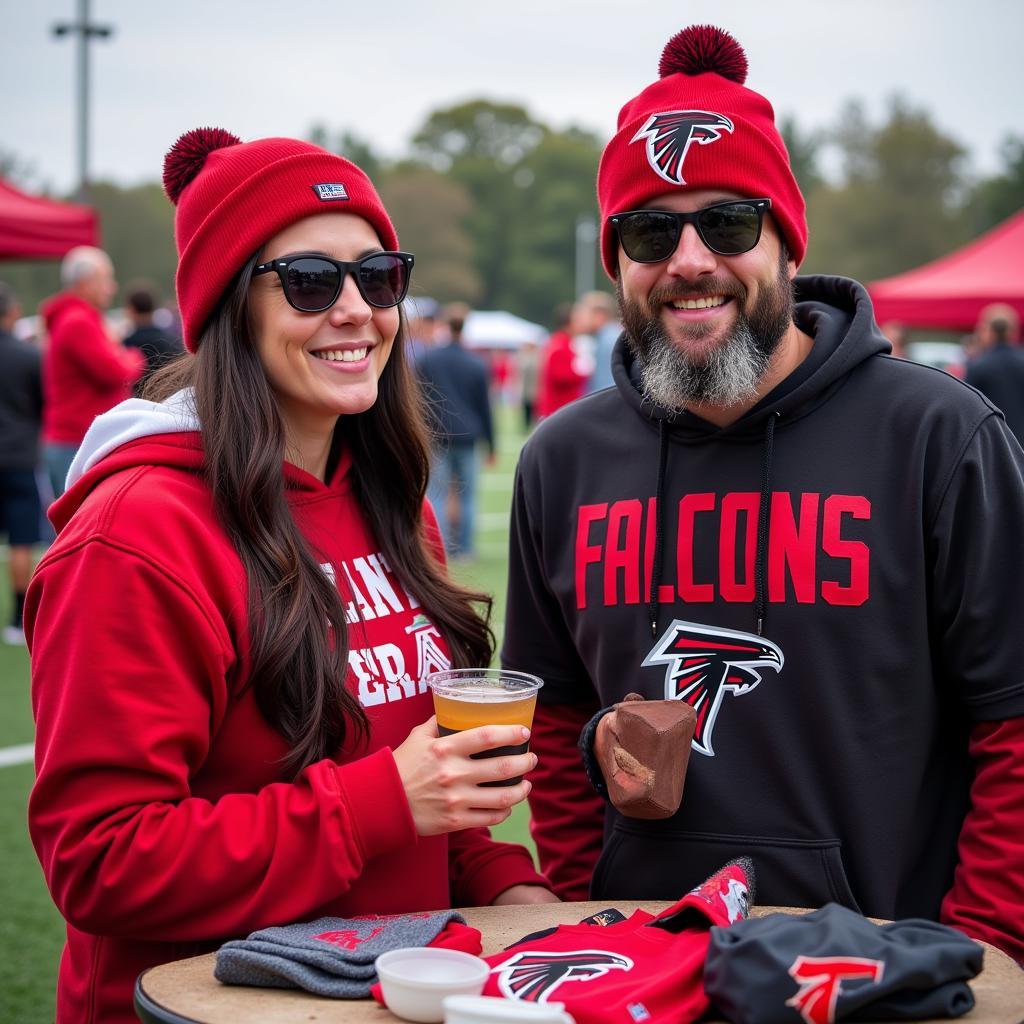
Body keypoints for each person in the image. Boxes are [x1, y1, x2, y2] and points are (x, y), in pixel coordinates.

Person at [501, 24, 1024, 963]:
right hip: (637, 967)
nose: (691, 259)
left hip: (882, 971)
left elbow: (1015, 724)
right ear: (618, 259)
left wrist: (980, 949)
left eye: (730, 223)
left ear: (786, 242)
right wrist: (592, 905)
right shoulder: (561, 459)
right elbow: (556, 719)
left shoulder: (939, 436)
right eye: (651, 230)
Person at [26, 129, 555, 1024]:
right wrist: (379, 802)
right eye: (311, 280)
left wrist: (511, 891)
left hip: (386, 997)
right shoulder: (138, 533)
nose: (356, 310)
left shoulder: (396, 504)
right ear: (232, 307)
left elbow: (437, 791)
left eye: (378, 276)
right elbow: (101, 861)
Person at [40, 246, 144, 497]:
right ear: (86, 283)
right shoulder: (78, 321)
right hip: (79, 441)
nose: (112, 287)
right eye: (106, 279)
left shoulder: (73, 318)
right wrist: (134, 357)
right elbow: (114, 371)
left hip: (75, 440)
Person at [417, 302, 496, 558]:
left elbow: (419, 399)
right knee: (468, 496)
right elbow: (485, 406)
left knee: (437, 495)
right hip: (469, 436)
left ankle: (439, 547)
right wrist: (491, 444)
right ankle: (465, 548)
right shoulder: (476, 362)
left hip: (437, 434)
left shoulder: (428, 358)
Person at [0, 282, 43, 645]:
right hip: (18, 457)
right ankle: (16, 619)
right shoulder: (30, 357)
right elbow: (43, 404)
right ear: (12, 313)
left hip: (16, 454)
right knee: (21, 543)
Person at [965, 303, 1024, 445]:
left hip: (992, 443)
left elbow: (966, 406)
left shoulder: (978, 365)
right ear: (1014, 331)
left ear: (988, 331)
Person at [122, 282, 185, 395]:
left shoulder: (127, 344)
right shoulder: (171, 340)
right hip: (167, 399)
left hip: (136, 404)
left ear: (131, 310)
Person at [537, 302, 593, 418]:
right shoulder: (560, 345)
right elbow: (561, 376)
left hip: (562, 408)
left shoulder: (562, 342)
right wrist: (584, 373)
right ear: (569, 322)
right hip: (559, 409)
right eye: (578, 320)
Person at [577, 290, 622, 393]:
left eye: (583, 314)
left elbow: (610, 384)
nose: (580, 319)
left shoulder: (610, 340)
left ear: (599, 315)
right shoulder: (606, 337)